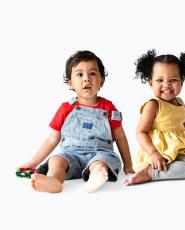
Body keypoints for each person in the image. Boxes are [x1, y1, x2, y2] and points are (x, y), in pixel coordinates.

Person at [18, 50, 134, 193]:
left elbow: (121, 137)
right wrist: (32, 162)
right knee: (56, 160)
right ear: (70, 83)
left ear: (101, 81)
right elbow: (51, 139)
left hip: (100, 152)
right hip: (71, 154)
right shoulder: (65, 108)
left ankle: (96, 176)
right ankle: (54, 180)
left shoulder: (109, 108)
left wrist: (128, 164)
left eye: (92, 73)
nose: (86, 79)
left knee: (100, 163)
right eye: (80, 74)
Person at [124, 49, 185, 185]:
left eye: (173, 80)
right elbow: (140, 132)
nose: (166, 85)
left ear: (181, 82)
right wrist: (153, 153)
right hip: (159, 152)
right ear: (150, 83)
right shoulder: (153, 105)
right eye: (160, 80)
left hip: (178, 148)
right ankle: (150, 172)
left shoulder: (180, 103)